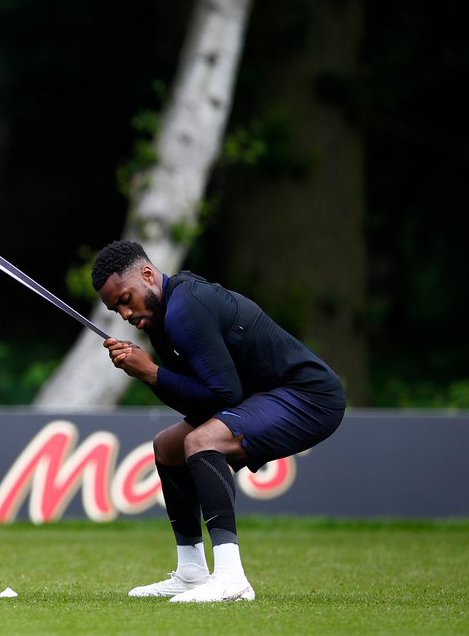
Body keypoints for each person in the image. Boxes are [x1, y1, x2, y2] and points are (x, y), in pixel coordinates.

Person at [90, 240, 346, 603]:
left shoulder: (186, 309)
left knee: (202, 441)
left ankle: (232, 578)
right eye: (115, 309)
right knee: (168, 447)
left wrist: (151, 373)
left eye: (125, 299)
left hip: (310, 397)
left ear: (147, 274)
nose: (125, 314)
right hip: (262, 398)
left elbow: (223, 398)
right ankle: (192, 573)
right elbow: (197, 405)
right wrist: (150, 374)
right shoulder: (164, 318)